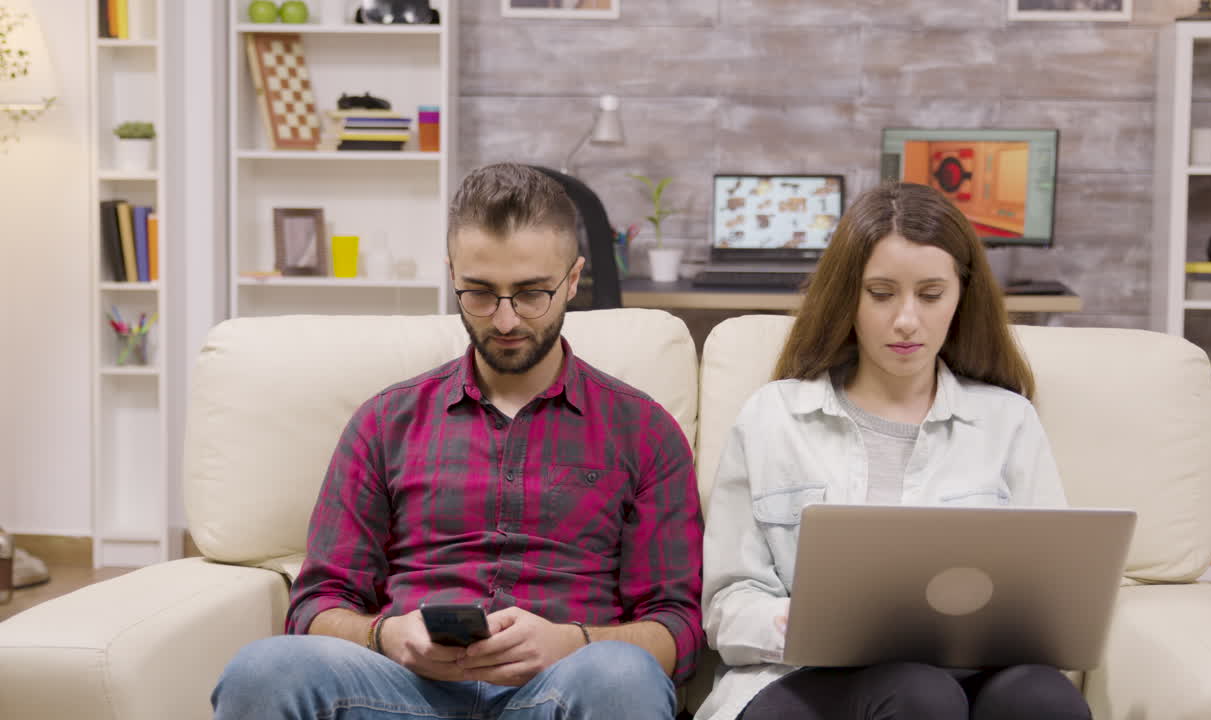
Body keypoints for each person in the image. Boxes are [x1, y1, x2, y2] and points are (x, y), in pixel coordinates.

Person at [213, 163, 704, 720]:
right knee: (263, 669)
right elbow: (315, 607)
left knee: (621, 675)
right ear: (452, 275)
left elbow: (680, 629)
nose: (505, 320)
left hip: (561, 689)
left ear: (572, 280)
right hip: (400, 692)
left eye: (531, 294)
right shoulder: (385, 422)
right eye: (479, 293)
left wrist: (572, 643)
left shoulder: (642, 430)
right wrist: (387, 636)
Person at [696, 182, 1090, 720]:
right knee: (916, 693)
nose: (906, 320)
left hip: (968, 677)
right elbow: (725, 607)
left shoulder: (1006, 420)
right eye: (881, 294)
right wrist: (804, 622)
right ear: (848, 297)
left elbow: (1053, 600)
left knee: (1042, 698)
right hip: (803, 679)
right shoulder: (774, 416)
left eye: (931, 295)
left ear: (961, 295)